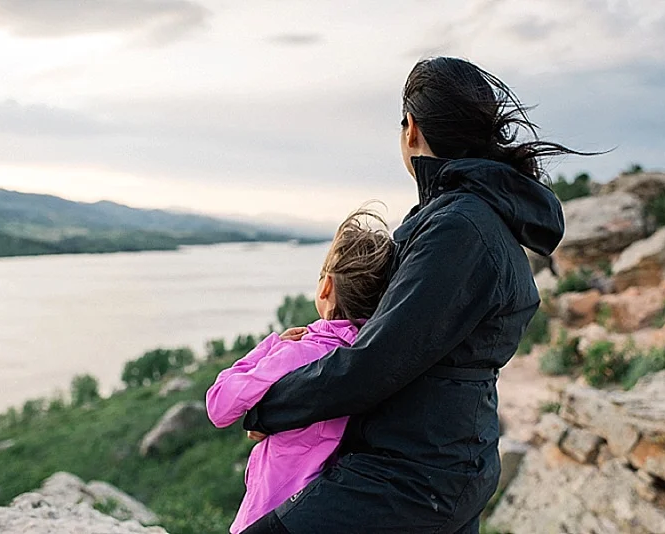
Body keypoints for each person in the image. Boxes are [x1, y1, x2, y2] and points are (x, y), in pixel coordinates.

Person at [241, 57, 575, 534]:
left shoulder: (460, 228)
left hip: (412, 476)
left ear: (411, 129)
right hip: (440, 464)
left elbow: (376, 360)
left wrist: (269, 406)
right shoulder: (469, 219)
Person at [205, 208, 394, 534]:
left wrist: (268, 348)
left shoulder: (298, 351)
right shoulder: (378, 358)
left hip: (269, 513)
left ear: (326, 287)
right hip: (328, 510)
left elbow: (219, 405)